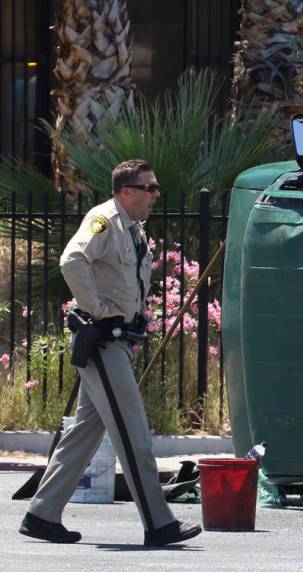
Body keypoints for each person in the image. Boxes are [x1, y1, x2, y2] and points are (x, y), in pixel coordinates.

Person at [19, 160, 202, 547]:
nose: (155, 194)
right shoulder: (103, 220)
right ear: (126, 191)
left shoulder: (132, 228)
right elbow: (72, 260)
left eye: (155, 187)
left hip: (118, 340)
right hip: (102, 340)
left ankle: (42, 513)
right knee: (132, 432)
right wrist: (99, 308)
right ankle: (159, 522)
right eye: (149, 187)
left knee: (86, 430)